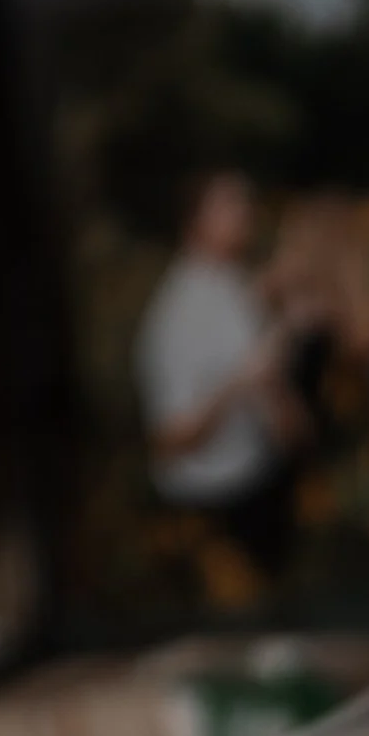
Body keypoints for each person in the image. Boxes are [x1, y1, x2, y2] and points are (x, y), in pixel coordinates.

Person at [134, 171, 307, 576]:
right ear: (195, 222)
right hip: (213, 511)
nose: (245, 213)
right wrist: (237, 384)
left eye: (244, 202)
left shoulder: (229, 280)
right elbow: (170, 440)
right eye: (229, 205)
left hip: (258, 480)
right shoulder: (175, 318)